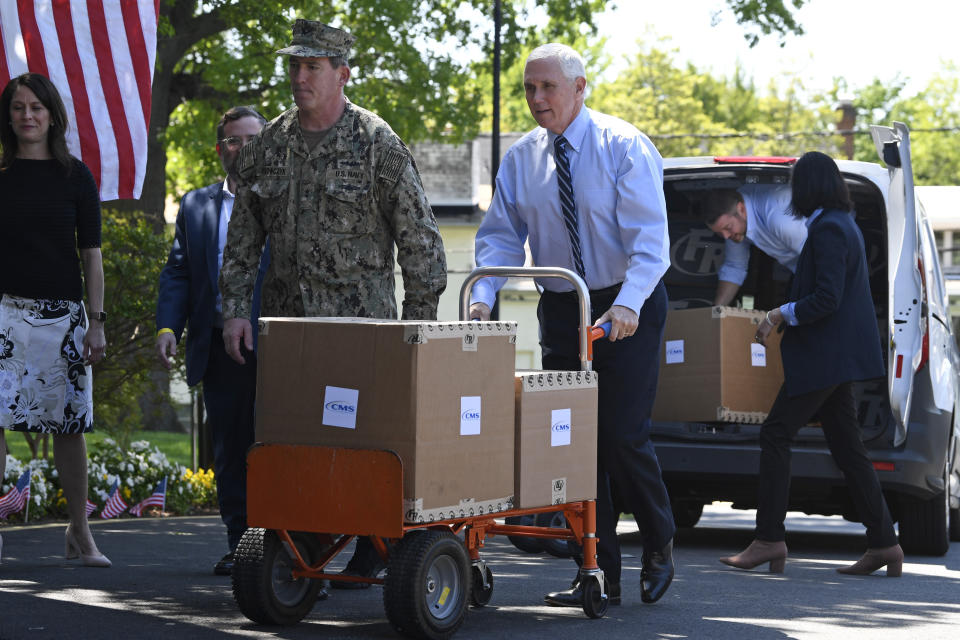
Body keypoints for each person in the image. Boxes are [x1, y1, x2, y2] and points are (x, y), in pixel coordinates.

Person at [218, 19, 447, 587]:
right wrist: (233, 312)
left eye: (312, 67)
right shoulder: (268, 145)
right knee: (290, 443)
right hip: (288, 334)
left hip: (360, 337)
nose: (300, 77)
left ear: (342, 75)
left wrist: (417, 335)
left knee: (360, 445)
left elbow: (421, 243)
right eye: (294, 66)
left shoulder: (376, 142)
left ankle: (374, 543)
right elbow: (242, 241)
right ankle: (303, 555)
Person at [470, 43, 675, 606]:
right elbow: (499, 238)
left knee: (620, 436)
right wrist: (483, 297)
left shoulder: (623, 146)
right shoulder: (520, 159)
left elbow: (651, 246)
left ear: (580, 88)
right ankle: (598, 570)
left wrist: (628, 305)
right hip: (564, 306)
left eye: (548, 88)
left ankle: (659, 539)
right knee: (573, 444)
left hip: (626, 302)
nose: (537, 99)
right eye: (529, 89)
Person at [720, 151, 902, 577]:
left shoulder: (829, 230)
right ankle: (885, 543)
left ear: (809, 187)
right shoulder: (837, 225)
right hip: (835, 358)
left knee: (776, 433)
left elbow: (827, 298)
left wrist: (779, 313)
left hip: (825, 356)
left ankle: (768, 539)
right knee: (848, 449)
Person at [0, 73, 109, 567]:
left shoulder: (76, 176)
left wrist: (98, 322)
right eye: (18, 107)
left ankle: (79, 534)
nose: (27, 115)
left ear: (51, 115)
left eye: (36, 107)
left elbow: (91, 255)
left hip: (64, 318)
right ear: (9, 117)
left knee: (70, 426)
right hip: (3, 316)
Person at [155, 105, 269, 576]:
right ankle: (241, 548)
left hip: (281, 349)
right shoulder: (197, 205)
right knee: (230, 451)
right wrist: (168, 327)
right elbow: (179, 272)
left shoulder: (285, 201)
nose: (241, 149)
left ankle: (293, 556)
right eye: (233, 141)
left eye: (251, 139)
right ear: (221, 149)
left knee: (282, 450)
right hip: (223, 350)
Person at [701, 186, 808, 306]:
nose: (726, 236)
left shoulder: (780, 220)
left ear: (741, 209)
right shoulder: (735, 223)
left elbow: (822, 256)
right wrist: (716, 313)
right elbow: (734, 267)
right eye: (719, 233)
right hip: (803, 269)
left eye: (728, 228)